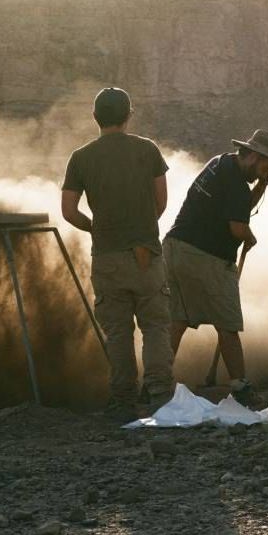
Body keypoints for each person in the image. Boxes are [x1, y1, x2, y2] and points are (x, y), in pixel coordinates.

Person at [61, 87, 175, 423]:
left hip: (106, 257)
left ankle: (122, 398)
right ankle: (159, 395)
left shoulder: (80, 157)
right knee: (155, 326)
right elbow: (161, 203)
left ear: (95, 117)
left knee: (119, 331)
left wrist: (96, 228)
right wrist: (139, 226)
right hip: (145, 254)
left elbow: (68, 211)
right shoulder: (147, 150)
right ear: (128, 115)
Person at [163, 129, 268, 405]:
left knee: (179, 319)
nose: (265, 173)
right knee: (227, 322)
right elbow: (237, 226)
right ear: (254, 155)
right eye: (266, 167)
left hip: (175, 248)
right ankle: (241, 388)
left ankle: (155, 384)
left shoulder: (221, 163)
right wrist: (249, 237)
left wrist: (262, 186)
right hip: (204, 256)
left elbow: (239, 207)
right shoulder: (234, 180)